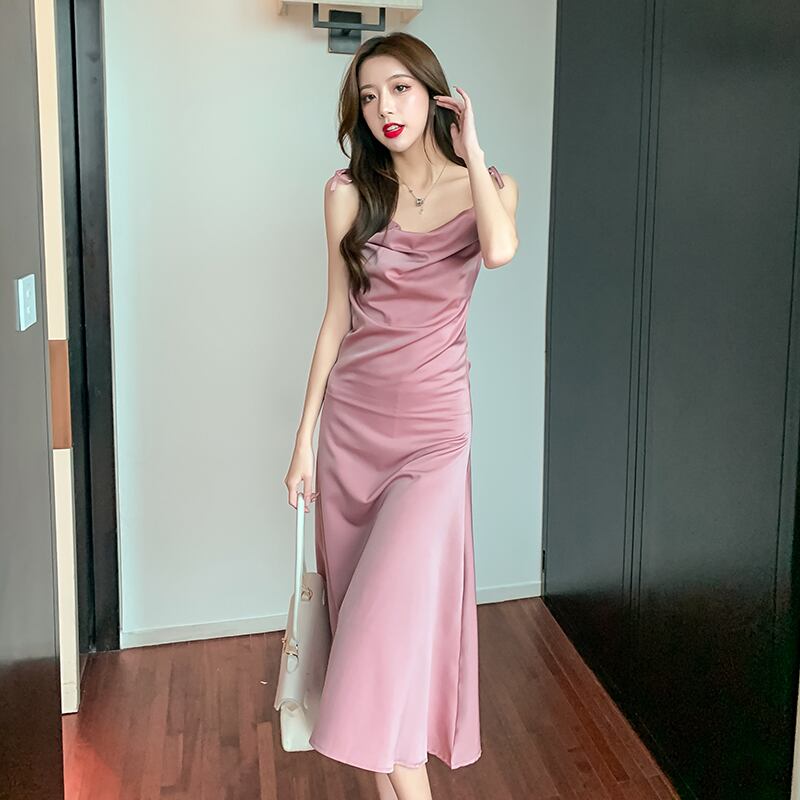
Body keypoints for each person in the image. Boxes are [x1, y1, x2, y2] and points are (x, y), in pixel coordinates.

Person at [283, 31, 518, 800]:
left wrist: (472, 149)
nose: (384, 107)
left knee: (379, 649)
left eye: (400, 89)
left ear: (434, 94)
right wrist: (304, 440)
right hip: (352, 436)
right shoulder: (348, 194)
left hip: (434, 440)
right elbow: (334, 321)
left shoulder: (489, 187)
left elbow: (500, 251)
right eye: (369, 95)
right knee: (377, 653)